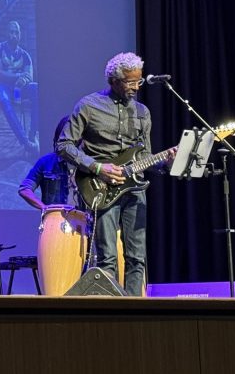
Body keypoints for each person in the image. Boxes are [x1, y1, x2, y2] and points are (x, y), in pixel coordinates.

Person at [56, 52, 163, 297]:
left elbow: (145, 155)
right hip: (100, 188)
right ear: (114, 81)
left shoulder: (142, 112)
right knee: (107, 258)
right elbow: (64, 145)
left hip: (134, 189)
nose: (136, 87)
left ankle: (134, 310)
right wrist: (97, 168)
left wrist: (165, 161)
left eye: (139, 81)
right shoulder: (88, 105)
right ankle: (110, 309)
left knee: (137, 258)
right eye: (130, 82)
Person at [0, 20, 39, 156]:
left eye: (16, 32)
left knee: (36, 89)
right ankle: (25, 141)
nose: (14, 35)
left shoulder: (25, 55)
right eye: (11, 32)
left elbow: (29, 76)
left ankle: (32, 134)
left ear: (20, 34)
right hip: (1, 86)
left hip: (18, 89)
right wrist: (18, 75)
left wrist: (23, 80)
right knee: (5, 101)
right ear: (6, 33)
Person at [18, 117, 74, 211]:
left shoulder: (86, 164)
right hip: (53, 217)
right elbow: (25, 189)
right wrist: (44, 208)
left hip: (80, 218)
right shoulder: (46, 162)